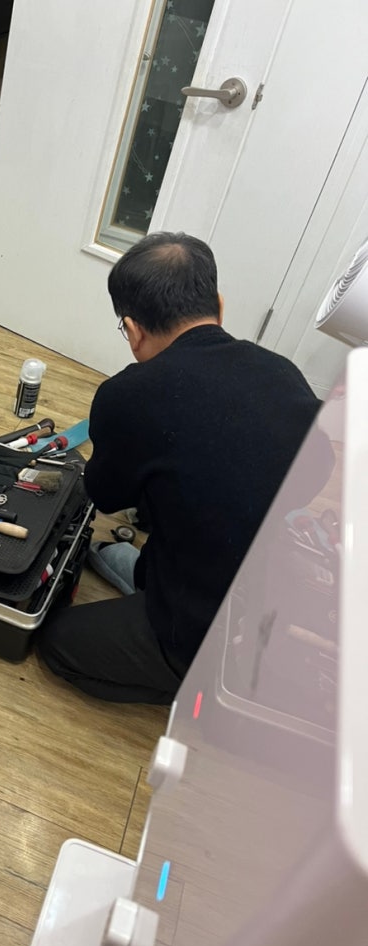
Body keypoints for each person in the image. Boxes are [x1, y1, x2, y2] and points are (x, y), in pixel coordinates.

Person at [35, 231, 322, 703]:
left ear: (133, 330)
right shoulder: (282, 372)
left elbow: (105, 494)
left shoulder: (128, 396)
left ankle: (201, 686)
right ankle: (150, 583)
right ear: (219, 306)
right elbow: (316, 469)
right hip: (268, 577)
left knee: (56, 641)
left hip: (206, 632)